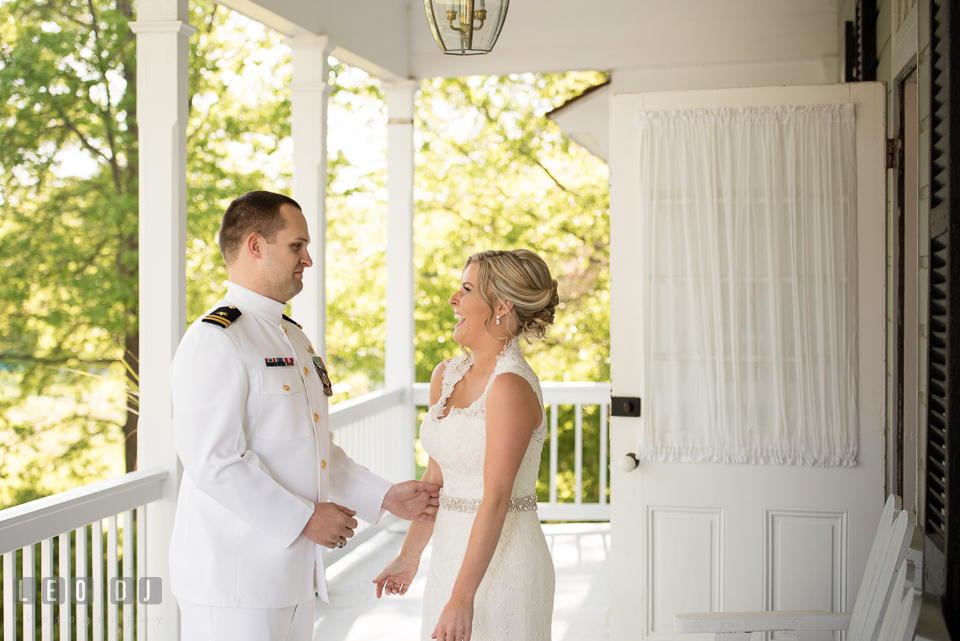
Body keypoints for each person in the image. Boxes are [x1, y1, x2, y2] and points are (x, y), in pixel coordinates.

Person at [168, 191, 440, 641]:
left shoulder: (290, 336)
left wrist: (385, 495)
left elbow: (315, 448)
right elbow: (213, 461)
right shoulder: (216, 338)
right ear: (255, 246)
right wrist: (304, 518)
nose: (308, 260)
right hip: (233, 582)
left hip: (291, 576)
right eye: (297, 246)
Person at [373, 249, 559, 641]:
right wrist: (409, 558)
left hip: (503, 566)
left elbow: (496, 498)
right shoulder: (447, 374)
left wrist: (462, 597)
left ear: (502, 305)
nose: (452, 299)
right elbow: (434, 479)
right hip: (449, 558)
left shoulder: (511, 386)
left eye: (466, 288)